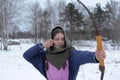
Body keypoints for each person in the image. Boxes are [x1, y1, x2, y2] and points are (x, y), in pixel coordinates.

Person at [23, 26, 106, 80]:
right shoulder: (45, 55)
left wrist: (96, 56)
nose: (60, 41)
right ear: (52, 39)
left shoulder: (71, 53)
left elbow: (83, 55)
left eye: (62, 39)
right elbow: (27, 55)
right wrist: (43, 45)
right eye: (57, 39)